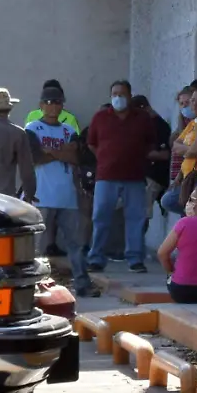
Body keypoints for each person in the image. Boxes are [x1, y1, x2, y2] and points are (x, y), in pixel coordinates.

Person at [25, 84, 96, 298]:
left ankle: (83, 285)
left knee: (75, 244)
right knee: (36, 246)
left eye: (57, 102)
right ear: (41, 105)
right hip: (41, 194)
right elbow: (34, 157)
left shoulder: (69, 130)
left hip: (67, 196)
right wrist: (62, 152)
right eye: (48, 102)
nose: (53, 106)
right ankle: (31, 287)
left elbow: (77, 158)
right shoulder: (32, 128)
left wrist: (50, 151)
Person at [87, 80, 159, 273]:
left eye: (122, 94)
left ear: (129, 95)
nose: (118, 97)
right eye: (114, 94)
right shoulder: (100, 117)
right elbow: (92, 144)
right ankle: (96, 258)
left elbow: (151, 143)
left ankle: (135, 259)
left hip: (134, 177)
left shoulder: (142, 118)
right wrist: (106, 158)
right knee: (101, 217)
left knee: (136, 218)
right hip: (106, 176)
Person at [131, 94, 173, 240]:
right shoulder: (147, 124)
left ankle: (137, 246)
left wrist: (141, 152)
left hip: (155, 176)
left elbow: (165, 155)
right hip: (143, 175)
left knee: (142, 214)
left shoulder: (159, 126)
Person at [165, 81, 197, 216]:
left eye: (190, 101)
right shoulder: (191, 124)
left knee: (173, 202)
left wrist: (188, 150)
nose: (190, 106)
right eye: (182, 104)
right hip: (186, 176)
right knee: (172, 202)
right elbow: (176, 146)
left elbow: (196, 149)